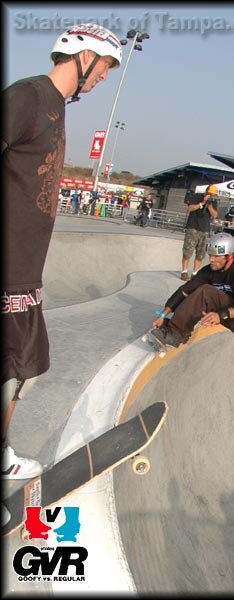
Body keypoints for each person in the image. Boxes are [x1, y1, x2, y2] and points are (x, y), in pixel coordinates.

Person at [1, 23, 122, 498]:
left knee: (22, 366)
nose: (104, 78)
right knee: (13, 365)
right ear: (85, 55)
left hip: (25, 268)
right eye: (105, 68)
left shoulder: (55, 107)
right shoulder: (29, 96)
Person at [150, 232, 234, 348]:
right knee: (193, 290)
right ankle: (179, 326)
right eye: (210, 255)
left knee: (206, 292)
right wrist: (162, 315)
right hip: (225, 309)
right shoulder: (209, 270)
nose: (211, 260)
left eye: (216, 256)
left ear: (229, 256)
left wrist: (221, 315)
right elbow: (184, 291)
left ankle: (176, 335)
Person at [180, 184, 219, 281]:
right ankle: (184, 271)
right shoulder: (197, 197)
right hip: (193, 227)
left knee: (200, 253)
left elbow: (214, 215)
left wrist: (209, 205)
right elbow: (190, 208)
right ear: (206, 192)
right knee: (188, 251)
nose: (211, 196)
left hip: (204, 230)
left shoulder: (213, 202)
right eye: (210, 194)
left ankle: (195, 272)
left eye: (213, 195)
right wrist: (202, 202)